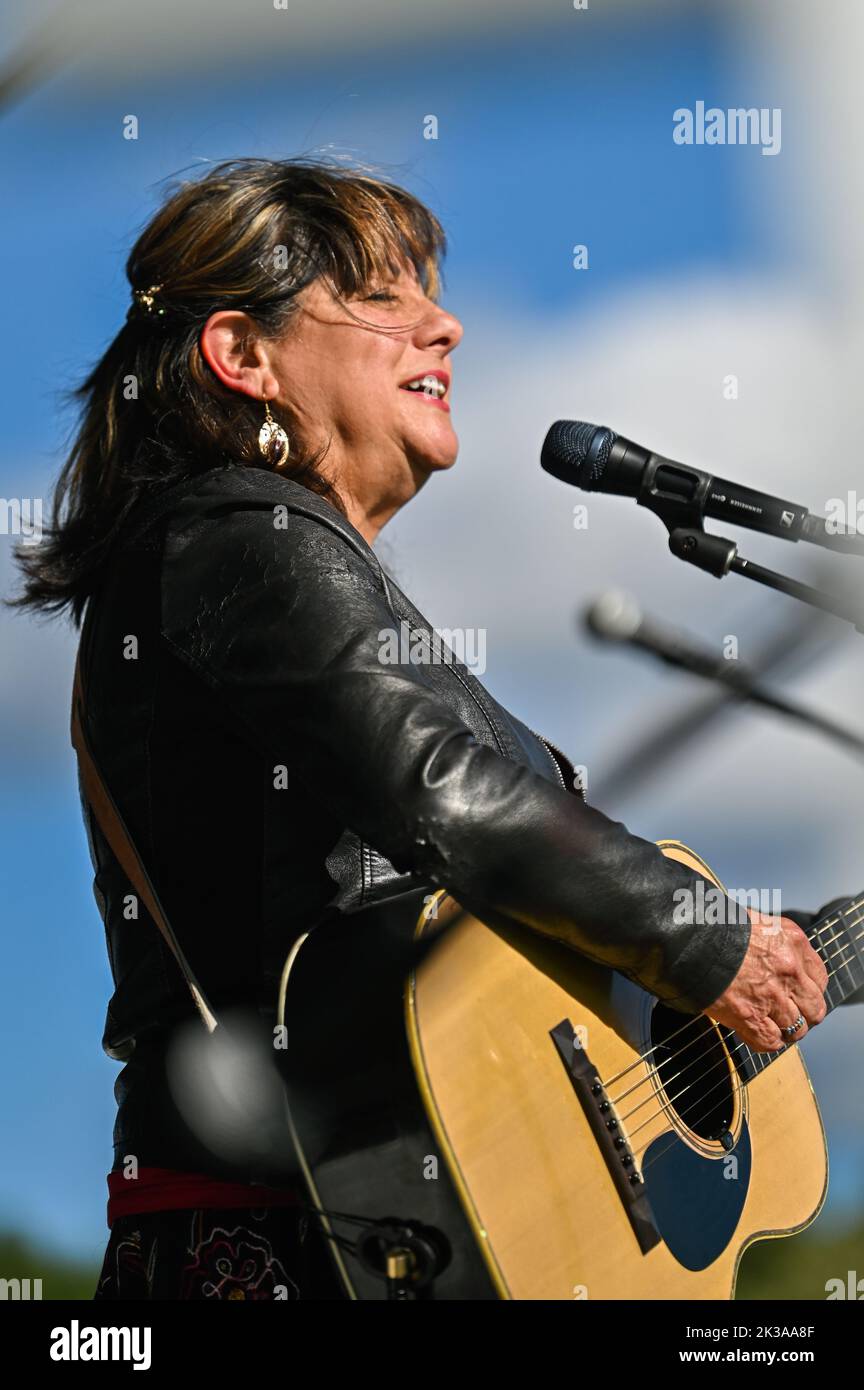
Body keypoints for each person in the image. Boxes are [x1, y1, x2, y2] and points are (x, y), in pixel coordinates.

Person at [11, 157, 835, 1300]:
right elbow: (440, 784)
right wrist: (705, 941)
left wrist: (770, 956)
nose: (443, 325)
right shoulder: (233, 535)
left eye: (431, 295)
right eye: (384, 297)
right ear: (240, 355)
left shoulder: (275, 559)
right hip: (285, 1245)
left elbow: (470, 876)